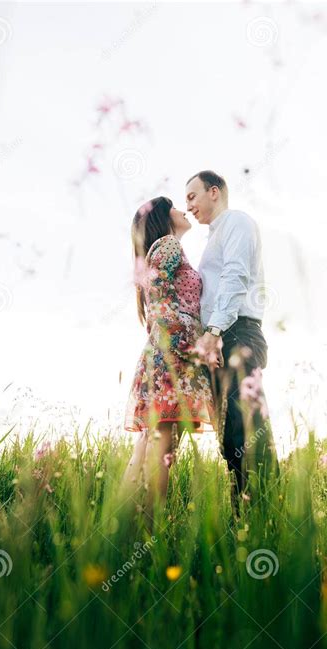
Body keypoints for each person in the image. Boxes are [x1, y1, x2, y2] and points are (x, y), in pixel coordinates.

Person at [185, 170, 275, 505]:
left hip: (236, 332)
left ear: (213, 192)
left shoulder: (236, 222)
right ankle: (243, 513)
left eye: (192, 196)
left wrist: (213, 331)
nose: (189, 206)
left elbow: (236, 275)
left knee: (247, 426)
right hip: (221, 338)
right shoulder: (212, 239)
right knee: (229, 435)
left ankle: (264, 510)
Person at [123, 196, 215, 521]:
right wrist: (190, 350)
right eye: (175, 207)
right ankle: (150, 531)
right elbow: (162, 303)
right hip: (170, 356)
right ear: (163, 219)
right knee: (162, 445)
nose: (183, 210)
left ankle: (123, 524)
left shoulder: (160, 250)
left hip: (163, 354)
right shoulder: (168, 245)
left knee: (152, 440)